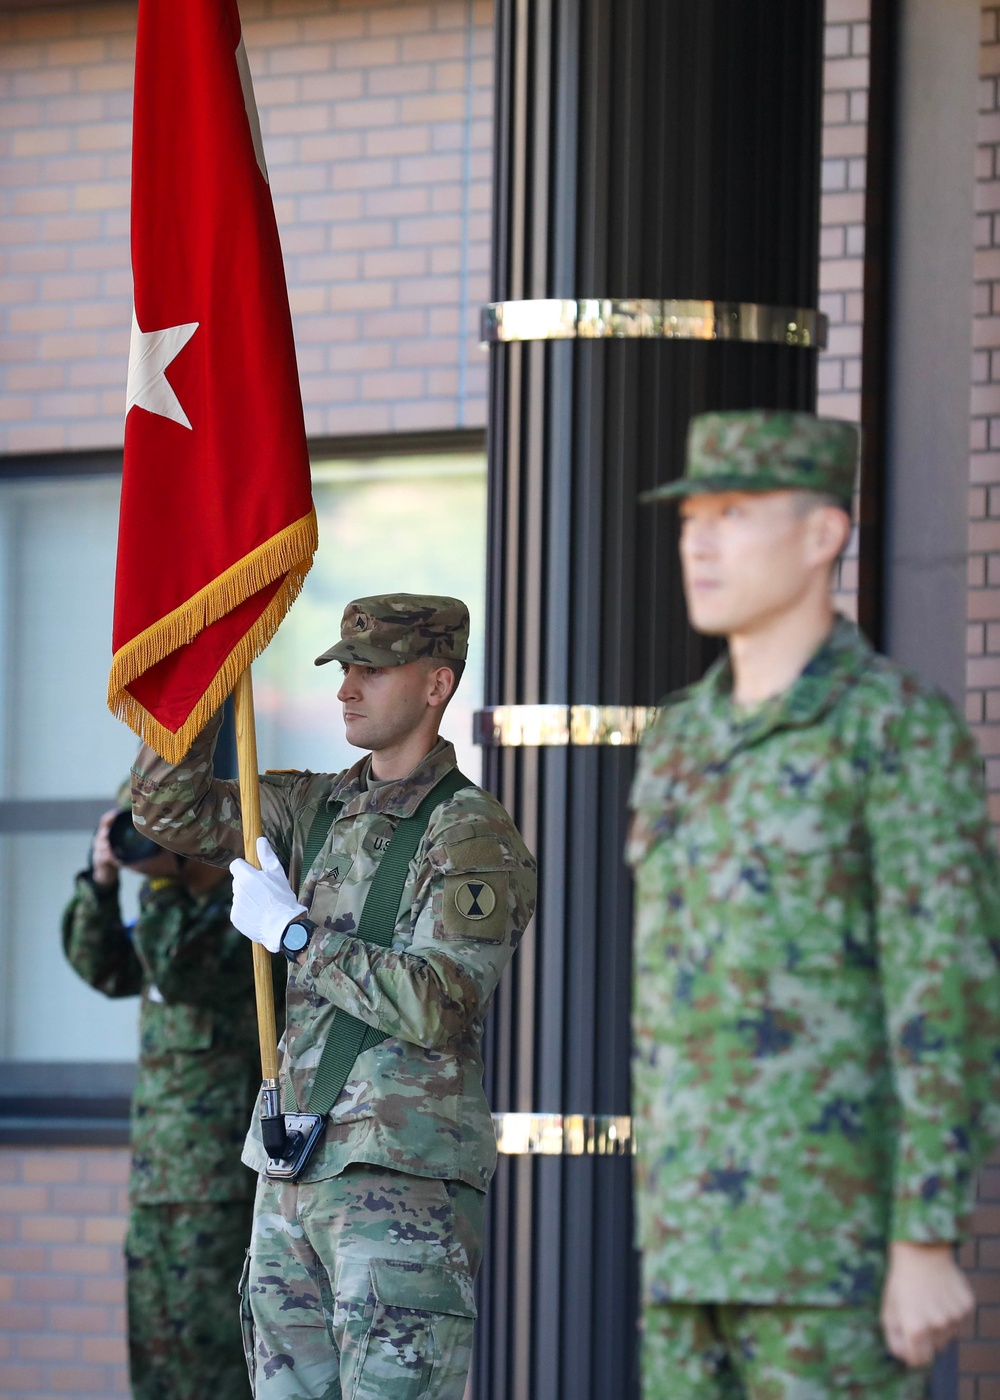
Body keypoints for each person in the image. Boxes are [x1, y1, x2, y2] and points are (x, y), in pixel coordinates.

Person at [627, 410, 1000, 1399]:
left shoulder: (891, 727)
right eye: (690, 515)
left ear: (821, 534)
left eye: (734, 512)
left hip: (828, 1255)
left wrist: (922, 1231)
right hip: (685, 1247)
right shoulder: (679, 738)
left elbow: (946, 990)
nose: (697, 539)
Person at [130, 593, 537, 1400]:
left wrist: (297, 939)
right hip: (291, 1172)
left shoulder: (470, 833)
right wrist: (206, 680)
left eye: (374, 670)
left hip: (399, 1182)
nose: (348, 688)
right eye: (345, 669)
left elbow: (436, 1003)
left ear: (435, 684)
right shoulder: (316, 805)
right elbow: (163, 809)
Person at [63, 787, 280, 1400]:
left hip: (220, 1188)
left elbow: (179, 968)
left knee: (215, 1364)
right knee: (157, 1357)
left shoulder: (242, 918)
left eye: (163, 836)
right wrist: (102, 883)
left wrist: (158, 884)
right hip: (160, 1180)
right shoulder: (167, 913)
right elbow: (102, 966)